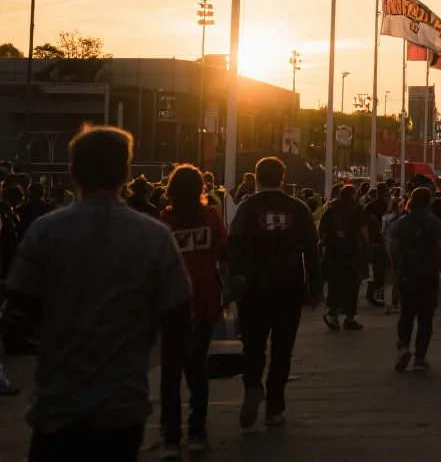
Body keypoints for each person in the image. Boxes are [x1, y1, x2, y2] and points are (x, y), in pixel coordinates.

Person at [0, 126, 192, 461]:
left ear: (73, 173)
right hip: (122, 406)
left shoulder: (45, 232)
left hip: (57, 404)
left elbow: (15, 318)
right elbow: (178, 318)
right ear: (126, 173)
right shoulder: (154, 236)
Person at [229, 156, 321, 429]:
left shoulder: (247, 208)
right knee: (283, 347)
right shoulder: (298, 208)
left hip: (254, 287)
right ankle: (275, 405)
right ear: (282, 177)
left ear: (256, 177)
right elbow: (312, 251)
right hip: (289, 286)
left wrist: (234, 280)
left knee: (253, 343)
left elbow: (233, 246)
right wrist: (315, 285)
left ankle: (253, 385)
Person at [158, 164, 229, 459]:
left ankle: (170, 437)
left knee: (170, 372)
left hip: (173, 302)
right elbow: (223, 255)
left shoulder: (165, 221)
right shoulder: (210, 216)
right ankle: (197, 430)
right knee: (197, 368)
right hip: (205, 298)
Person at [388, 186, 441, 372]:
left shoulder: (402, 222)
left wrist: (395, 267)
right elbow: (438, 250)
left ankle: (403, 346)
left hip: (407, 274)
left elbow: (394, 249)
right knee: (426, 319)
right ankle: (420, 357)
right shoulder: (434, 222)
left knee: (406, 314)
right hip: (428, 276)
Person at [319, 184, 369, 331]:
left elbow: (322, 230)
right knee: (352, 284)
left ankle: (332, 312)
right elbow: (362, 229)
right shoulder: (356, 209)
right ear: (354, 195)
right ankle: (349, 317)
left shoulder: (330, 208)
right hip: (351, 251)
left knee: (336, 282)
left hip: (334, 252)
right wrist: (367, 247)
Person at [363, 183, 390, 308]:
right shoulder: (382, 205)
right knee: (381, 267)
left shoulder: (370, 205)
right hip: (377, 240)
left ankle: (373, 293)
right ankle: (377, 293)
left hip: (370, 240)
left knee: (375, 269)